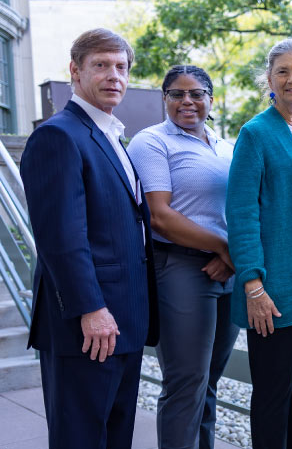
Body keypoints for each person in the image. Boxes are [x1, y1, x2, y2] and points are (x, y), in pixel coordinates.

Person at [20, 28, 158, 448]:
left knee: (116, 436)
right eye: (100, 65)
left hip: (125, 319)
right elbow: (61, 237)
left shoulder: (111, 135)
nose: (113, 75)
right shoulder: (58, 136)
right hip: (87, 323)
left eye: (121, 67)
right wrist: (91, 309)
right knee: (80, 438)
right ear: (75, 73)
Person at [226, 38, 292, 449]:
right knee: (273, 399)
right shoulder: (255, 133)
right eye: (283, 71)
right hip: (273, 290)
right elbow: (241, 213)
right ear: (268, 80)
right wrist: (253, 284)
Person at [127, 65, 239, 449]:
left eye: (196, 93)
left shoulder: (226, 146)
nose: (187, 101)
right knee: (186, 383)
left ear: (210, 99)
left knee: (209, 382)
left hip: (228, 270)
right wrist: (223, 246)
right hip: (181, 268)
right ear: (164, 99)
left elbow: (243, 207)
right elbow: (160, 216)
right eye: (176, 94)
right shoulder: (152, 142)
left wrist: (231, 255)